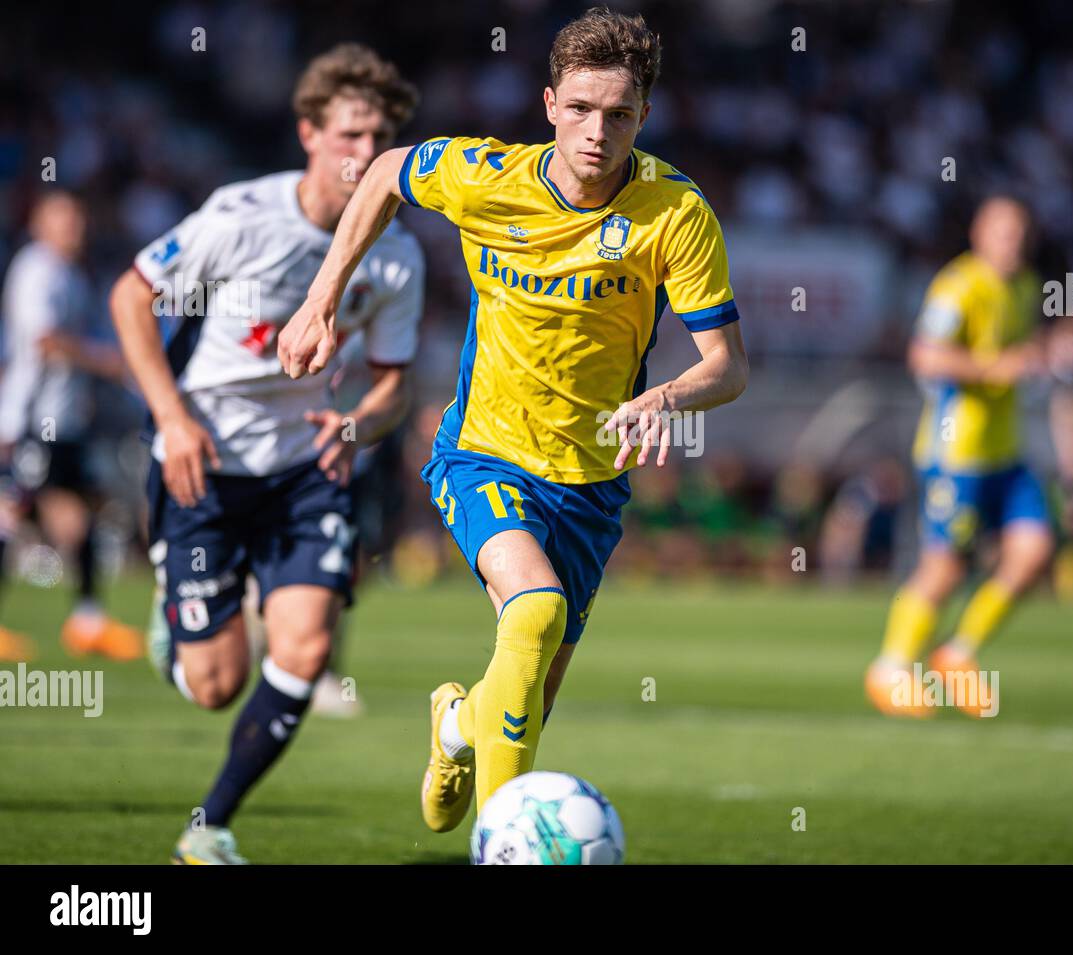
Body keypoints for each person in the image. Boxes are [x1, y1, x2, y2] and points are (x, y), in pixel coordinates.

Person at [277, 6, 748, 836]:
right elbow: (386, 170)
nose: (596, 131)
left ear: (644, 115)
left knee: (530, 689)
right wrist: (322, 298)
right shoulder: (487, 178)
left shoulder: (675, 213)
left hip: (591, 483)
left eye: (618, 114)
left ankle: (455, 725)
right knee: (534, 612)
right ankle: (508, 843)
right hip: (483, 452)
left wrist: (667, 396)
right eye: (580, 108)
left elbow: (727, 365)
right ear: (548, 104)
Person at [108, 44, 424, 863]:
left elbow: (395, 385)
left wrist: (357, 425)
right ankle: (174, 618)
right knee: (215, 687)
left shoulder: (396, 253)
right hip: (202, 462)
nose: (367, 151)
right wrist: (171, 416)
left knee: (309, 647)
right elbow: (131, 295)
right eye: (352, 132)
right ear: (309, 133)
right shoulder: (242, 215)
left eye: (383, 136)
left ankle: (208, 827)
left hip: (304, 472)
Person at [865, 196, 1054, 719]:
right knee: (944, 568)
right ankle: (891, 668)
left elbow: (1022, 356)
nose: (1011, 243)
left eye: (1019, 233)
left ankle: (957, 653)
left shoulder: (1024, 286)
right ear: (979, 233)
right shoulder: (957, 285)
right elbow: (924, 354)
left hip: (1005, 450)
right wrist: (994, 367)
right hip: (957, 452)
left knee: (1035, 550)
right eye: (1002, 232)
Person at [0, 191, 140, 663]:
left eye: (78, 220)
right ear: (39, 224)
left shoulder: (69, 274)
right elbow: (44, 340)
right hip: (33, 419)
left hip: (65, 421)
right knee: (11, 513)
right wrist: (106, 362)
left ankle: (88, 622)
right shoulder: (37, 270)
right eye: (63, 220)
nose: (73, 229)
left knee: (81, 517)